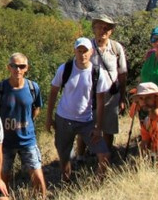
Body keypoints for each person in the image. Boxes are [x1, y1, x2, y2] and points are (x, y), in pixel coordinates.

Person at [46, 37, 112, 180]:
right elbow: (53, 92)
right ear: (74, 51)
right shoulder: (65, 69)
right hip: (63, 119)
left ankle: (99, 184)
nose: (82, 54)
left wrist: (99, 127)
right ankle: (66, 183)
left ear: (92, 52)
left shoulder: (98, 73)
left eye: (85, 51)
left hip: (86, 121)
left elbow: (101, 101)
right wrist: (49, 118)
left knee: (104, 153)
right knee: (64, 158)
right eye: (79, 51)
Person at [0, 52, 47, 199]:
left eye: (22, 66)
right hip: (5, 142)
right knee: (3, 178)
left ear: (27, 68)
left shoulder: (33, 88)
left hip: (28, 140)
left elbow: (36, 108)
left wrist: (25, 122)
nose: (18, 70)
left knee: (38, 177)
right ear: (9, 67)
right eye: (14, 66)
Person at [89, 14, 129, 155]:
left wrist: (122, 98)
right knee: (86, 126)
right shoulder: (88, 47)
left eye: (106, 28)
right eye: (99, 27)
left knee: (109, 128)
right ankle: (82, 156)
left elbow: (122, 74)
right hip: (90, 96)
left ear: (111, 31)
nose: (103, 30)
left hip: (111, 96)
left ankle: (105, 155)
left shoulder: (116, 48)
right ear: (94, 29)